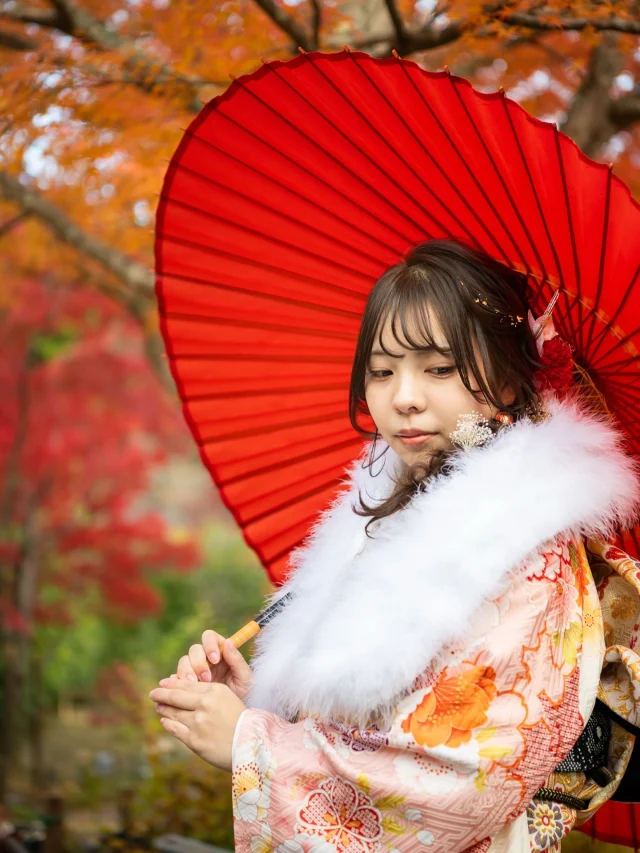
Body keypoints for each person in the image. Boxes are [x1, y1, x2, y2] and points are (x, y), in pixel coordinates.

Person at [148, 239, 640, 852]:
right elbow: (373, 721)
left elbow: (458, 780)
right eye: (382, 371)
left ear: (510, 383)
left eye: (438, 369)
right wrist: (262, 705)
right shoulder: (387, 520)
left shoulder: (527, 553)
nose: (402, 396)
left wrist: (255, 746)